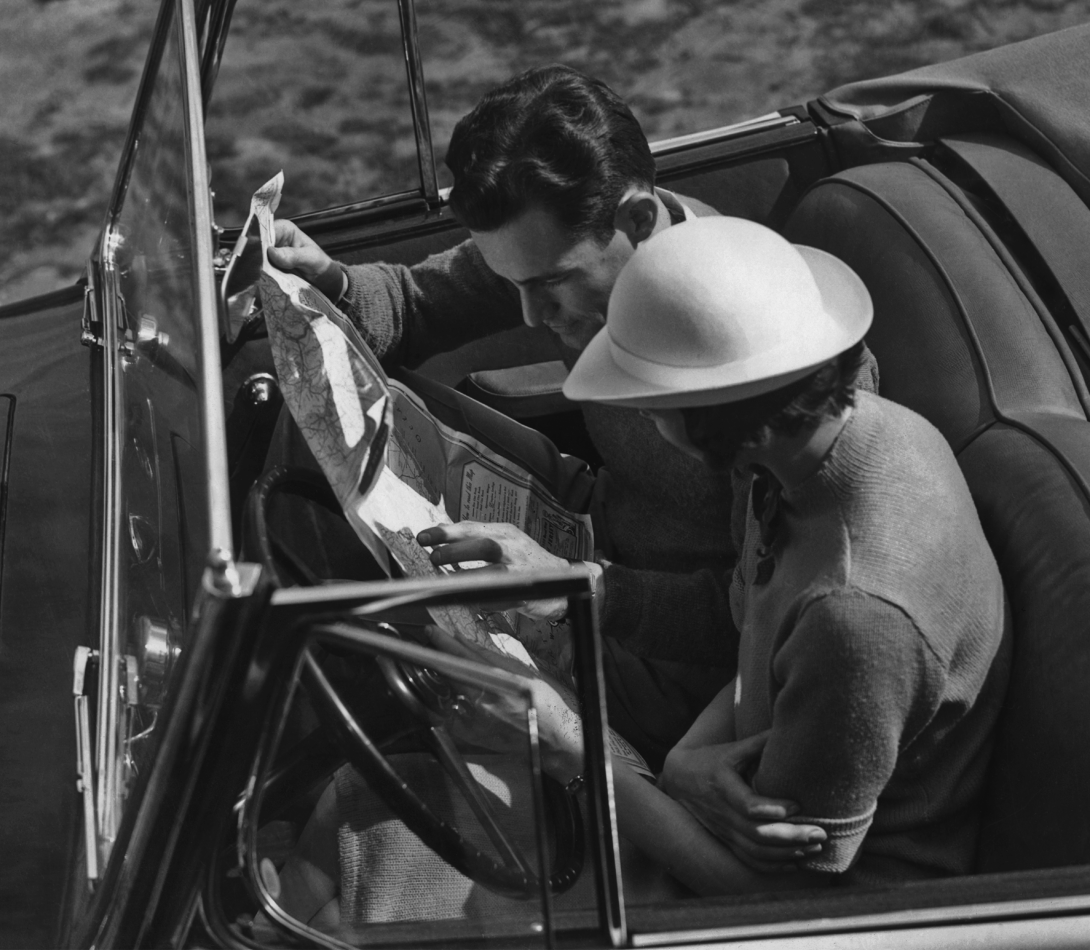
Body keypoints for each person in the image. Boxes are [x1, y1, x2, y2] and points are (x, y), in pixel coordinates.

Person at [271, 63, 875, 819]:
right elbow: (422, 302)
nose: (528, 314)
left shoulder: (763, 358)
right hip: (594, 526)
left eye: (549, 286)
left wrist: (574, 587)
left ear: (640, 220)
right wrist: (329, 280)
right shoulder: (557, 248)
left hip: (671, 655)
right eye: (512, 281)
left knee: (381, 668)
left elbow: (759, 620)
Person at [431, 216, 1010, 890]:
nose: (639, 417)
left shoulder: (857, 617)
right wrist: (681, 761)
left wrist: (571, 748)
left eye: (645, 402)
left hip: (825, 911)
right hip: (713, 807)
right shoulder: (797, 451)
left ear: (704, 415)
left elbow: (782, 903)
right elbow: (753, 630)